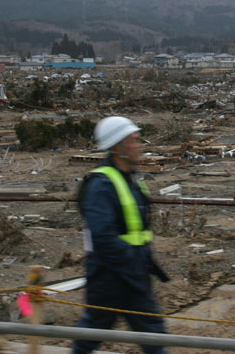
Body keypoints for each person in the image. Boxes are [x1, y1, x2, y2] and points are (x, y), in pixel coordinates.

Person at [73, 116, 169, 354]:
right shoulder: (102, 185)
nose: (140, 145)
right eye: (134, 140)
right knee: (91, 334)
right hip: (110, 277)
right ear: (118, 147)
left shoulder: (131, 180)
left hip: (134, 273)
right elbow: (103, 237)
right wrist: (131, 262)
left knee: (154, 335)